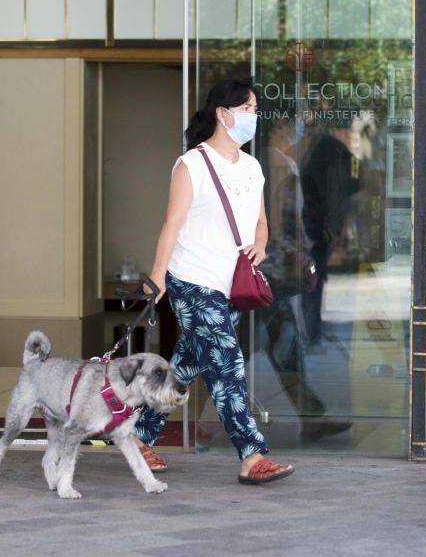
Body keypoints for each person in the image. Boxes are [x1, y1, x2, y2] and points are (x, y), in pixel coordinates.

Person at [135, 78, 294, 485]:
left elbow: (261, 222)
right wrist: (157, 276)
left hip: (231, 286)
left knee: (186, 367)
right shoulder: (192, 164)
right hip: (192, 280)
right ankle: (251, 454)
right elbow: (172, 223)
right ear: (224, 114)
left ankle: (137, 436)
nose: (254, 117)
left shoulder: (253, 167)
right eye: (248, 110)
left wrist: (261, 245)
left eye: (255, 110)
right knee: (228, 365)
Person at [260, 114, 352, 441]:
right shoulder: (281, 168)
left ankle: (312, 416)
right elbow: (282, 230)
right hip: (265, 275)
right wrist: (301, 254)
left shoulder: (260, 164)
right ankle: (164, 423)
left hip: (258, 274)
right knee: (217, 352)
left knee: (281, 347)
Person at [300, 112, 360, 347]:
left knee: (312, 277)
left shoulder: (326, 149)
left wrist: (333, 222)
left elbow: (352, 179)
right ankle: (312, 330)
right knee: (314, 277)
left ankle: (312, 332)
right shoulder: (324, 148)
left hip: (318, 225)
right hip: (320, 224)